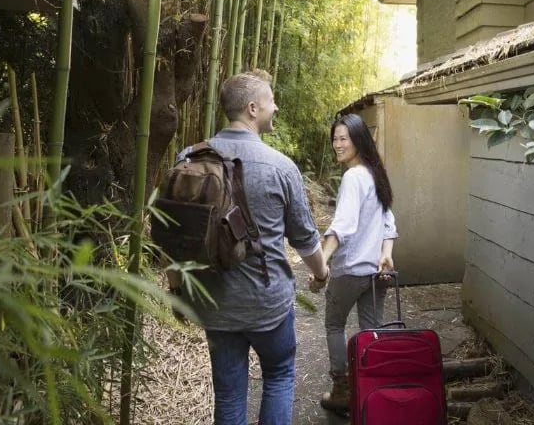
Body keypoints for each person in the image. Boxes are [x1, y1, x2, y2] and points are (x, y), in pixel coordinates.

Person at [170, 71, 330, 425]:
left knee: (228, 394)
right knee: (279, 376)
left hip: (214, 301)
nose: (277, 107)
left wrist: (177, 290)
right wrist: (321, 272)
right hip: (267, 302)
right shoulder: (281, 167)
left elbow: (175, 237)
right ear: (253, 108)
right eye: (272, 101)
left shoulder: (189, 159)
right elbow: (304, 238)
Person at [308, 113, 398, 414]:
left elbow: (342, 226)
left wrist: (321, 263)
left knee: (334, 324)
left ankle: (343, 391)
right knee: (372, 332)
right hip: (375, 274)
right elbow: (389, 224)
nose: (337, 144)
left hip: (350, 273)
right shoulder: (376, 174)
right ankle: (375, 390)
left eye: (343, 138)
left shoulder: (353, 177)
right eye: (335, 138)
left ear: (358, 140)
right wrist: (386, 254)